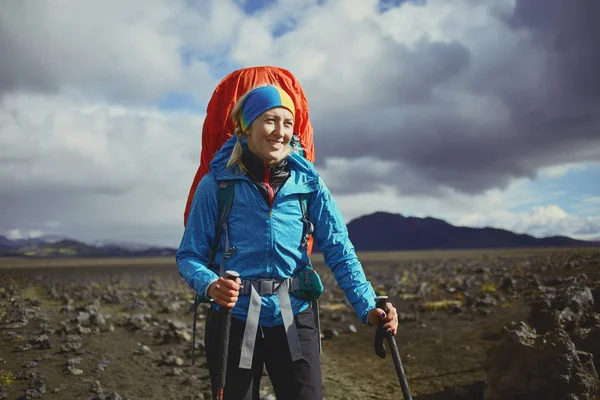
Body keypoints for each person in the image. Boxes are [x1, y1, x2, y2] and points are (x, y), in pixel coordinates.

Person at [176, 84, 399, 400]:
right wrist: (212, 285)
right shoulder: (216, 185)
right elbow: (189, 255)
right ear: (247, 126)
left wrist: (368, 305)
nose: (279, 131)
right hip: (234, 319)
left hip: (294, 315)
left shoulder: (310, 185)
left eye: (287, 122)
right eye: (269, 120)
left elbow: (339, 248)